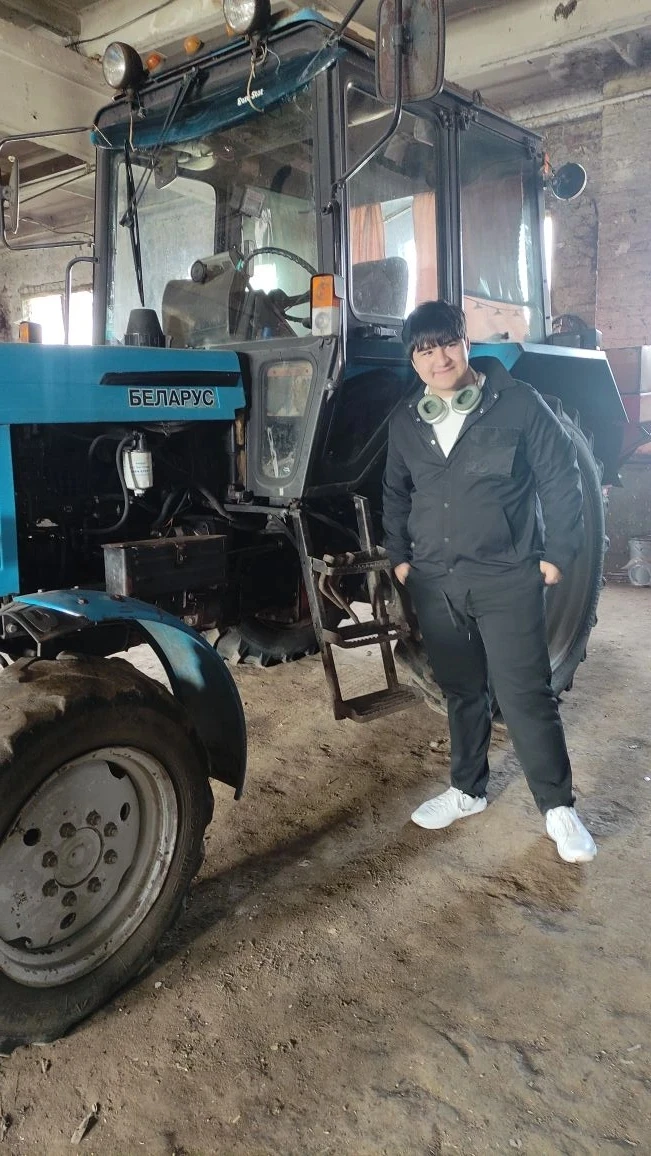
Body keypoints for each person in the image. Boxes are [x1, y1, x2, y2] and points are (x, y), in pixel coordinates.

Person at [383, 300, 596, 864]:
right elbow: (395, 492)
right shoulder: (406, 421)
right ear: (414, 361)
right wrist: (400, 558)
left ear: (465, 344)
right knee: (461, 691)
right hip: (437, 582)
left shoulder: (520, 403)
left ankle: (558, 808)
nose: (439, 359)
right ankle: (467, 790)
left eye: (447, 344)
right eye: (425, 351)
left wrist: (558, 554)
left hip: (506, 578)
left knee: (525, 694)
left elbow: (562, 478)